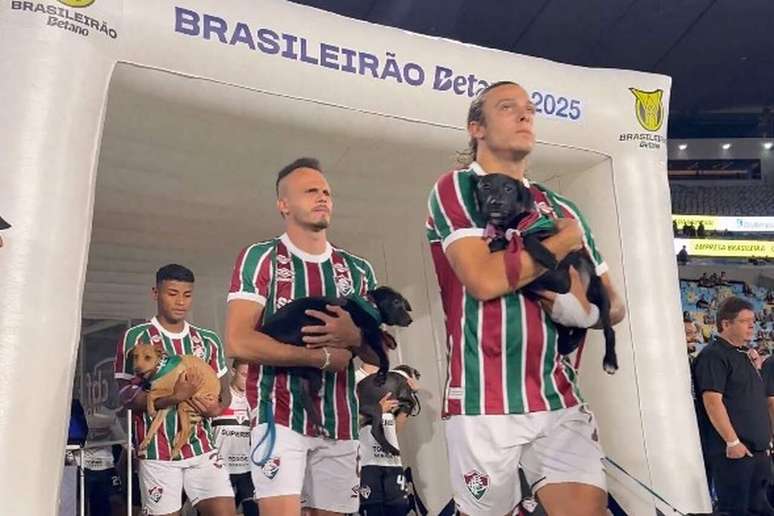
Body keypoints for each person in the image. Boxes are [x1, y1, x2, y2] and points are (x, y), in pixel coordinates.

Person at [425, 81, 625, 516]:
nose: (525, 115)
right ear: (476, 127)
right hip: (483, 398)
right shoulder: (456, 188)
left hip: (557, 396)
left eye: (530, 108)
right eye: (507, 107)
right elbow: (482, 280)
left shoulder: (562, 209)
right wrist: (560, 245)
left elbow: (615, 306)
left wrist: (581, 310)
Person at [225, 157, 383, 516]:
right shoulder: (260, 258)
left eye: (326, 191)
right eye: (311, 191)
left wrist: (354, 336)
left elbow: (376, 356)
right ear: (284, 204)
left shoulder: (358, 270)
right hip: (277, 414)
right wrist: (319, 357)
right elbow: (238, 341)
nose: (322, 197)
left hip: (341, 418)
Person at [114, 264, 236, 516]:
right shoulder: (136, 337)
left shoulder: (208, 339)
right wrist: (173, 398)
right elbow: (126, 395)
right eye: (172, 293)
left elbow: (225, 391)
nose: (181, 301)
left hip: (202, 447)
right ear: (155, 293)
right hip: (158, 453)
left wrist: (217, 407)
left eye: (187, 295)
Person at [694, 297, 774, 516]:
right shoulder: (714, 355)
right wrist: (732, 441)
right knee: (736, 510)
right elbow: (712, 400)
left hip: (758, 452)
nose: (751, 325)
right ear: (725, 324)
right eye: (744, 321)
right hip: (735, 452)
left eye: (753, 321)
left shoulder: (743, 355)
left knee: (761, 509)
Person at [355, 363, 419, 516]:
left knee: (399, 509)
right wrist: (376, 411)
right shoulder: (354, 379)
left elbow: (394, 429)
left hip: (392, 462)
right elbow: (347, 423)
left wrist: (409, 402)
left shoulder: (393, 379)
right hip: (365, 462)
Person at [212, 359, 259, 516]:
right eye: (244, 374)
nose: (247, 380)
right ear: (233, 371)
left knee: (252, 510)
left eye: (250, 376)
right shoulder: (220, 396)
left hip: (246, 468)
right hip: (220, 468)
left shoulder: (254, 399)